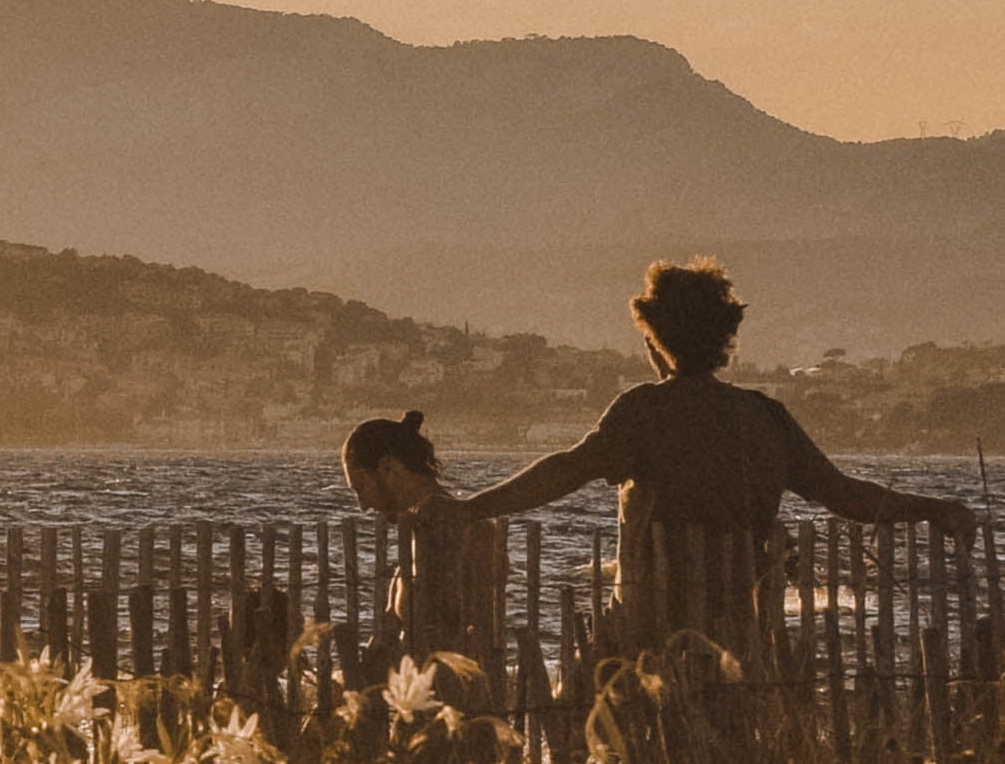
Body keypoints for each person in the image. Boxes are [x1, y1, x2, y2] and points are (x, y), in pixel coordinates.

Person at [461, 259, 970, 645]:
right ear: (726, 337)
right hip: (740, 633)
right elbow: (846, 496)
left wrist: (469, 508)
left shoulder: (642, 412)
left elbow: (563, 472)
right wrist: (933, 507)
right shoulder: (763, 418)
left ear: (654, 338)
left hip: (647, 632)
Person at [339, 409, 506, 670]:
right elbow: (388, 642)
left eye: (361, 487)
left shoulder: (473, 534)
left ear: (387, 467)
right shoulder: (413, 541)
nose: (363, 505)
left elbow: (478, 635)